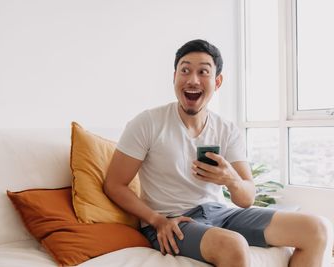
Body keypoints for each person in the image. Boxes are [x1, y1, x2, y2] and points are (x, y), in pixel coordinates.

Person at [103, 39, 329, 267]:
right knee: (233, 245)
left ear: (217, 81)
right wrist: (156, 220)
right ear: (174, 77)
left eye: (203, 72)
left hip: (220, 212)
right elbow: (114, 184)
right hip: (173, 220)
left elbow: (246, 198)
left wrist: (230, 179)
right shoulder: (148, 123)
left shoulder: (226, 129)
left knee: (315, 229)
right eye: (185, 70)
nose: (193, 79)